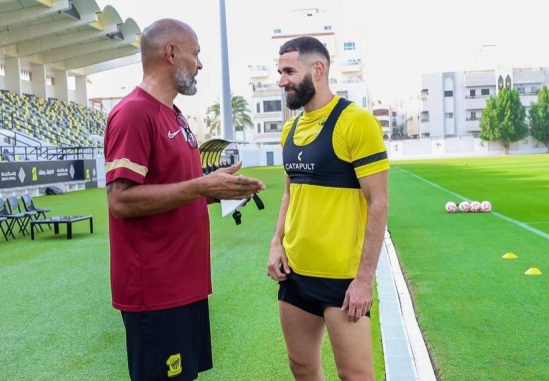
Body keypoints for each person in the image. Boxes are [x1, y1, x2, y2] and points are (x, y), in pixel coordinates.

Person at [103, 18, 265, 381]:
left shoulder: (175, 115)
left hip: (186, 285)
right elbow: (121, 201)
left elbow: (176, 190)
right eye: (196, 54)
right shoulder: (134, 113)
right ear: (171, 53)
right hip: (156, 290)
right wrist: (202, 187)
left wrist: (216, 189)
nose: (200, 64)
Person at [267, 36, 389, 380]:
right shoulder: (289, 130)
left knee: (355, 375)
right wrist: (277, 242)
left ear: (317, 70)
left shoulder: (356, 122)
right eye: (280, 71)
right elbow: (290, 193)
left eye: (289, 71)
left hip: (342, 280)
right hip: (296, 274)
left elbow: (378, 203)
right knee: (302, 367)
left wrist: (364, 281)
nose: (281, 80)